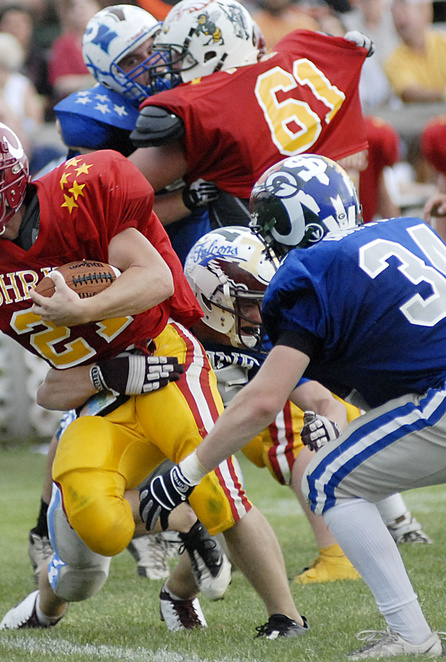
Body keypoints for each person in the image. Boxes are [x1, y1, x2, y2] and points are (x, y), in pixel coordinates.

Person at [0, 117, 308, 638]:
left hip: (160, 358)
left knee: (219, 489)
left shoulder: (80, 193)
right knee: (99, 529)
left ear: (11, 179)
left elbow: (156, 278)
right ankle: (144, 545)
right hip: (96, 390)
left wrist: (81, 308)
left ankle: (285, 616)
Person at [137, 153, 446, 658]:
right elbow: (373, 354)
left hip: (440, 396)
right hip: (430, 387)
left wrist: (185, 473)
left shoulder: (310, 268)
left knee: (327, 481)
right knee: (342, 467)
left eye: (269, 219)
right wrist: (327, 415)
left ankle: (412, 635)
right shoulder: (409, 230)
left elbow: (262, 402)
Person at [36, 3, 218, 583]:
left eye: (153, 47)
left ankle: (169, 517)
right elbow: (104, 212)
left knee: (177, 408)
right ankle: (49, 526)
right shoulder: (100, 123)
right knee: (103, 405)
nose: (153, 63)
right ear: (105, 71)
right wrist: (188, 200)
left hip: (194, 256)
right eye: (134, 58)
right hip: (132, 268)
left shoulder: (189, 90)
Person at [183, 226, 430, 584]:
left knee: (298, 448)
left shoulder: (268, 331)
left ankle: (339, 555)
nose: (258, 313)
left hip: (304, 404)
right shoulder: (180, 324)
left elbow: (315, 397)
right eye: (248, 302)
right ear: (208, 297)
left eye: (260, 299)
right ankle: (398, 523)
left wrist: (326, 415)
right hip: (280, 401)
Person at [128, 0, 372, 229]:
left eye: (178, 56)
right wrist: (345, 50)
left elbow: (117, 189)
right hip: (330, 226)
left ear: (211, 53)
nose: (170, 65)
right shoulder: (300, 51)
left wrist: (183, 200)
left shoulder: (200, 107)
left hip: (252, 250)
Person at [384, 0, 446, 104]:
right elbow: (409, 93)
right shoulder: (393, 61)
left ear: (424, 12)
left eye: (405, 12)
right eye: (395, 15)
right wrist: (443, 95)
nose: (401, 21)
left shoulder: (442, 43)